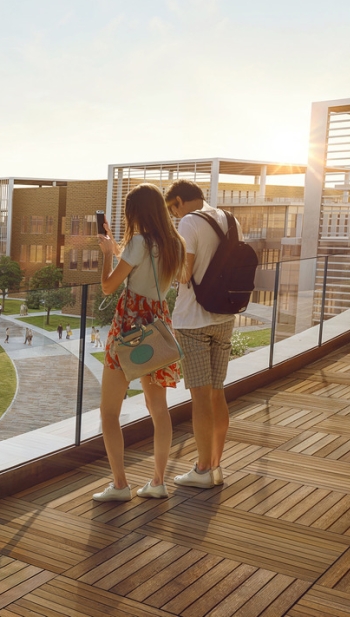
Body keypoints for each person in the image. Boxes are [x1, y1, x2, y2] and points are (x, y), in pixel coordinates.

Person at [93, 183, 185, 502]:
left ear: (137, 212)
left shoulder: (138, 242)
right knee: (158, 410)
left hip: (128, 330)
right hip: (157, 329)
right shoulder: (175, 244)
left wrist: (107, 255)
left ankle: (120, 485)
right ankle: (158, 481)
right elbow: (144, 265)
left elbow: (108, 286)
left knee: (109, 412)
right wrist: (117, 248)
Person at [166, 180, 236, 489]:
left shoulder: (189, 222)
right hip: (224, 316)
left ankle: (203, 469)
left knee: (199, 397)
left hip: (193, 319)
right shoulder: (228, 219)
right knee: (217, 392)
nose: (172, 215)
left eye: (172, 209)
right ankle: (216, 465)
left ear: (179, 201)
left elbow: (184, 273)